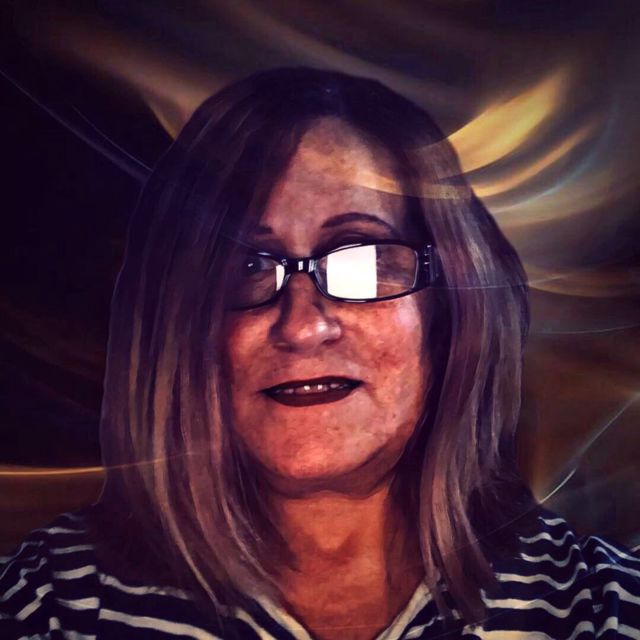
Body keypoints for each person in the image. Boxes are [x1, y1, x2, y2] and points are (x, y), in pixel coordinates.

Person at [1, 67, 638, 640]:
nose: (303, 326)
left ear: (451, 307)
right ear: (175, 322)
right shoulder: (51, 605)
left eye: (360, 256)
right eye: (248, 266)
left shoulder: (602, 608)